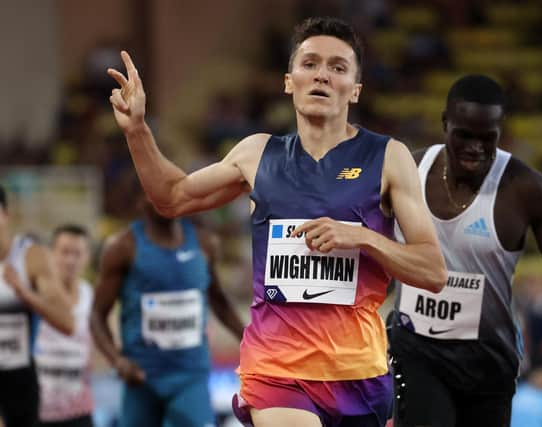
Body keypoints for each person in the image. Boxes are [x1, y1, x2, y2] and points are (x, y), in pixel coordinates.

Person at [107, 16, 446, 427]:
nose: (322, 75)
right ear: (289, 81)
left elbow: (432, 270)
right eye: (310, 63)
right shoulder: (257, 155)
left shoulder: (389, 157)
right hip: (275, 369)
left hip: (359, 373)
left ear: (354, 89)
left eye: (338, 68)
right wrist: (138, 131)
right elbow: (172, 197)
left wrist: (362, 237)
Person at [389, 74, 542, 427]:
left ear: (502, 131)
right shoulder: (407, 171)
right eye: (464, 135)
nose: (475, 147)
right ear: (445, 123)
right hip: (415, 348)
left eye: (487, 137)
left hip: (487, 358)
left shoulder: (526, 189)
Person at [90, 192, 245, 427]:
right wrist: (117, 361)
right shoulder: (122, 247)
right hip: (141, 377)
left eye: (172, 190)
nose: (167, 197)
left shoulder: (205, 244)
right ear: (141, 200)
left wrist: (251, 343)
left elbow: (219, 302)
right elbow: (96, 315)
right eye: (158, 191)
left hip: (190, 375)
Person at [0, 185, 74, 427]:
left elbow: (67, 322)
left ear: (6, 215)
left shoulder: (30, 258)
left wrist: (23, 293)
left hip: (19, 381)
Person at [35, 224, 95, 427]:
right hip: (38, 410)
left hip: (78, 409)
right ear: (52, 254)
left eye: (77, 253)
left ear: (87, 257)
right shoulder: (34, 294)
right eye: (65, 252)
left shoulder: (91, 296)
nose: (70, 260)